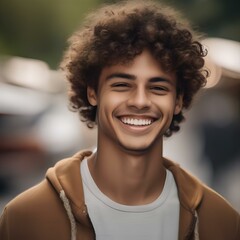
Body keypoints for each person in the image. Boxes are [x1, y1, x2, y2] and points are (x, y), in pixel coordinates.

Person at [0, 0, 239, 239]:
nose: (140, 101)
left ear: (178, 100)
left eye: (158, 88)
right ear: (92, 92)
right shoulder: (26, 218)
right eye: (122, 85)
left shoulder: (220, 220)